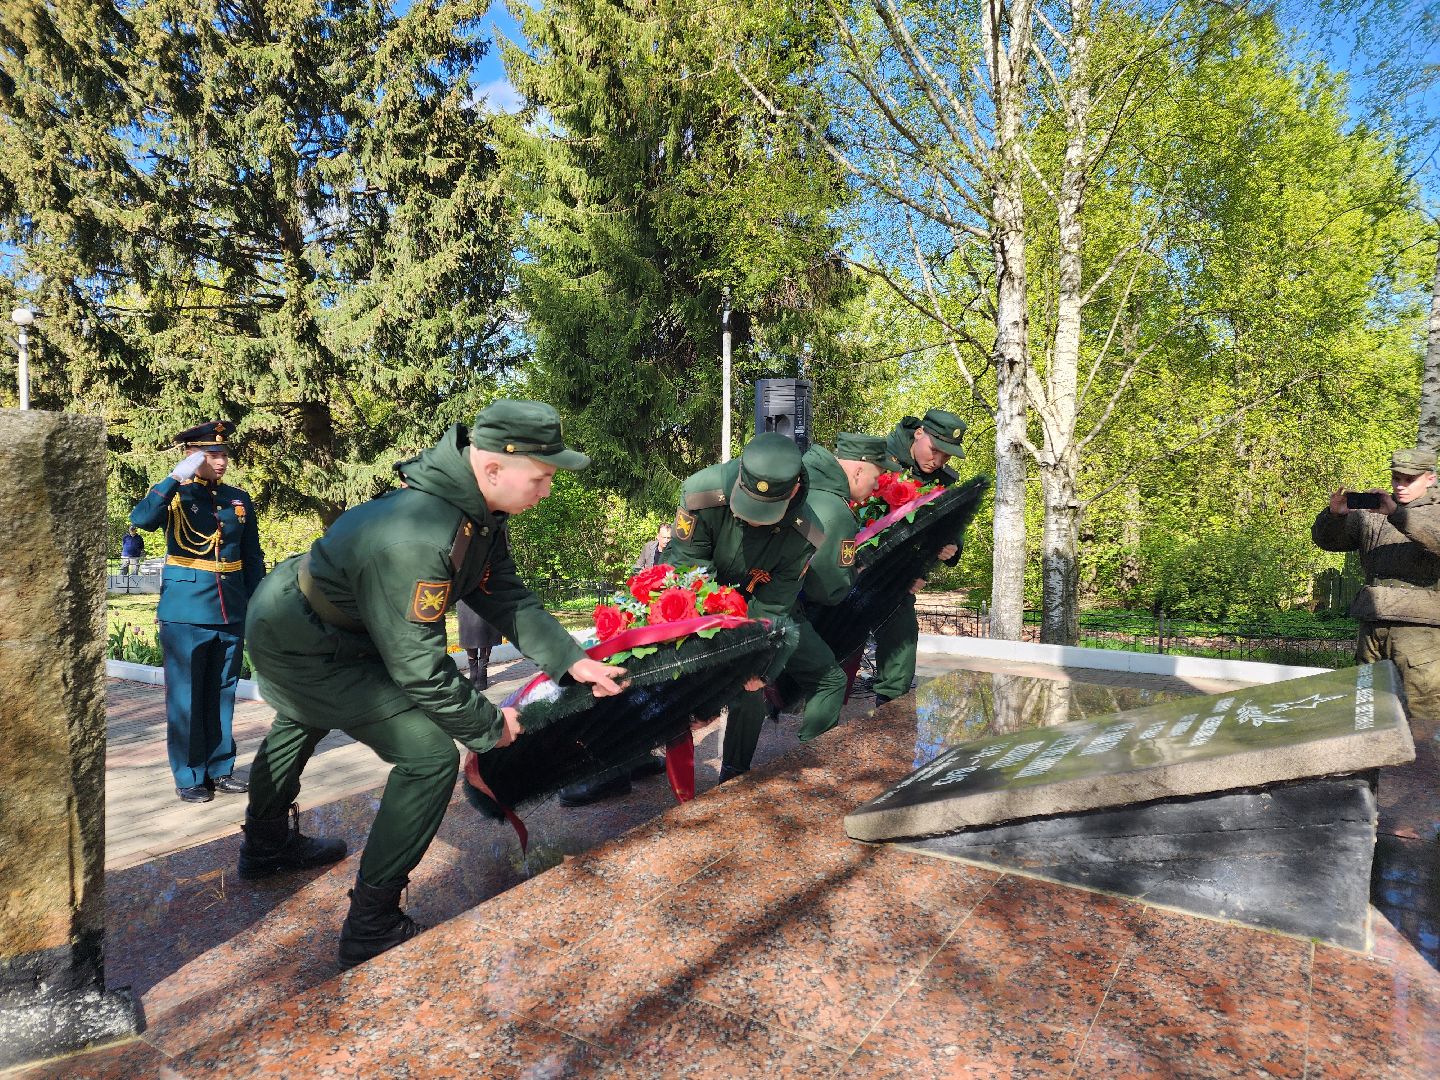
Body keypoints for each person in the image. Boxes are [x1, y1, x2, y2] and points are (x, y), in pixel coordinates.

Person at [237, 400, 627, 968]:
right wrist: (488, 725)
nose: (547, 491)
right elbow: (418, 667)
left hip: (333, 624)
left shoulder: (478, 513)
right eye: (541, 478)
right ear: (493, 467)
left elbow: (503, 594)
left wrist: (572, 660)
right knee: (428, 757)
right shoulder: (422, 536)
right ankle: (371, 924)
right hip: (299, 637)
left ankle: (265, 847)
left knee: (304, 716)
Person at [665, 432, 826, 780]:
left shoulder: (805, 534)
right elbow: (688, 572)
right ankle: (620, 766)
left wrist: (744, 661)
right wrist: (705, 662)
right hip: (690, 597)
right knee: (654, 669)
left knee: (752, 680)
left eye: (764, 513)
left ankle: (735, 772)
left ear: (793, 492)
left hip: (752, 604)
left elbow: (773, 605)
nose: (753, 519)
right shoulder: (701, 494)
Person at [130, 420, 266, 804]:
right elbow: (141, 520)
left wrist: (256, 604)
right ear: (192, 456)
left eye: (224, 454)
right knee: (187, 697)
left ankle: (220, 768)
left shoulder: (237, 498)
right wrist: (174, 478)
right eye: (212, 455)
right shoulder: (174, 495)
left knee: (223, 692)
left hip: (231, 608)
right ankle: (189, 775)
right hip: (186, 610)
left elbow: (252, 556)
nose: (221, 461)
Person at [1312, 447, 1440, 719]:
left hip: (1422, 632)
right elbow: (1328, 541)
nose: (1401, 486)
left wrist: (1396, 514)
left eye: (1409, 480)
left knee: (1423, 712)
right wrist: (1335, 516)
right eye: (1396, 478)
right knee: (1367, 709)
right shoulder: (1373, 512)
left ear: (1430, 478)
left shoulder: (1432, 512)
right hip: (1373, 622)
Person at [782, 433, 889, 742]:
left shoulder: (802, 487)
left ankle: (735, 765)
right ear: (858, 470)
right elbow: (828, 590)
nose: (875, 488)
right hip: (785, 610)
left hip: (750, 598)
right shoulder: (838, 511)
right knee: (830, 681)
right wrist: (854, 574)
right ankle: (809, 756)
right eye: (876, 477)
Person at [872, 409, 967, 706]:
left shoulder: (941, 480)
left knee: (901, 646)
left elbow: (949, 523)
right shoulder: (877, 458)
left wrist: (951, 545)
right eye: (935, 450)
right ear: (918, 433)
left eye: (945, 456)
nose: (937, 461)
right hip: (853, 569)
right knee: (833, 660)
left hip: (897, 581)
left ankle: (889, 718)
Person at [457, 598, 504, 689]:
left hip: (487, 594)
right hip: (464, 594)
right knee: (468, 628)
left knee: (486, 628)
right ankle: (473, 673)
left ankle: (482, 673)